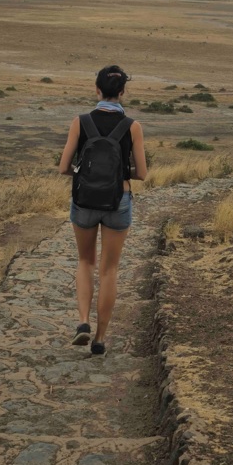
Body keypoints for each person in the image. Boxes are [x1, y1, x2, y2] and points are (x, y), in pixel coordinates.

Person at [57, 65, 148, 355]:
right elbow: (142, 174)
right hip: (118, 201)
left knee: (86, 262)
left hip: (84, 201)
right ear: (122, 93)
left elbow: (63, 167)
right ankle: (99, 339)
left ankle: (82, 322)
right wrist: (118, 174)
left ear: (96, 90)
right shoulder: (133, 126)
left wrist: (87, 175)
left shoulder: (80, 122)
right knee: (109, 270)